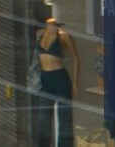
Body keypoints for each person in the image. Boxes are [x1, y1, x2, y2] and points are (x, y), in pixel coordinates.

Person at [33, 16, 78, 147]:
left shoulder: (63, 35)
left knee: (64, 118)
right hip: (44, 78)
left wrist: (75, 83)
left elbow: (75, 59)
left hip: (60, 77)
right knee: (43, 119)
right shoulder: (40, 33)